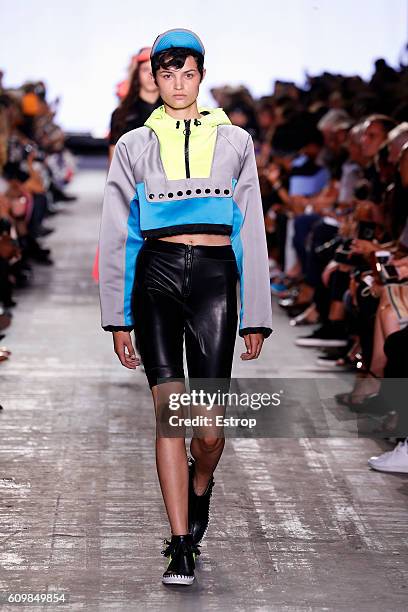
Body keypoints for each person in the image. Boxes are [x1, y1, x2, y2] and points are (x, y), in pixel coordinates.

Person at [98, 28, 273, 585]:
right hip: (156, 275)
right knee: (169, 415)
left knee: (211, 429)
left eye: (187, 72)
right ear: (155, 78)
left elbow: (251, 228)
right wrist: (117, 314)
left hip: (217, 280)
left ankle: (201, 486)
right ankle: (180, 542)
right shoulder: (134, 145)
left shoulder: (236, 142)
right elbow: (118, 231)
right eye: (166, 73)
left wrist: (258, 312)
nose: (177, 83)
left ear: (202, 75)